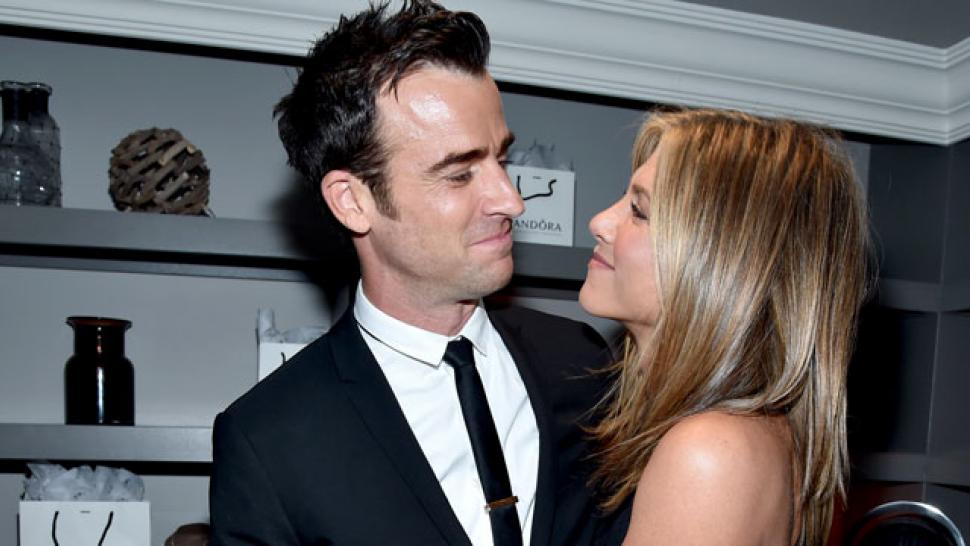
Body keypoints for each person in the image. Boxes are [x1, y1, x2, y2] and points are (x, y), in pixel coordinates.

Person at [208, 2, 612, 545]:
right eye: (459, 173)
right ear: (352, 201)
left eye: (502, 160)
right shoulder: (268, 437)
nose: (511, 200)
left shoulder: (580, 361)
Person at [579, 109, 872, 546]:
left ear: (719, 259)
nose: (600, 222)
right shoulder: (749, 433)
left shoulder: (708, 452)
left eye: (639, 210)